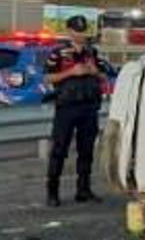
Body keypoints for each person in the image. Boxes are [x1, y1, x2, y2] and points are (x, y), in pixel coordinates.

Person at [44, 15, 109, 206]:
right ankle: (52, 192)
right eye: (77, 31)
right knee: (59, 149)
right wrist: (71, 72)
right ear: (69, 31)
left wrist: (93, 71)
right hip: (67, 106)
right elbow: (47, 78)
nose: (80, 35)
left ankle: (83, 189)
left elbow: (104, 75)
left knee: (86, 149)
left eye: (83, 31)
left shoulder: (92, 52)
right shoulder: (58, 53)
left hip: (89, 106)